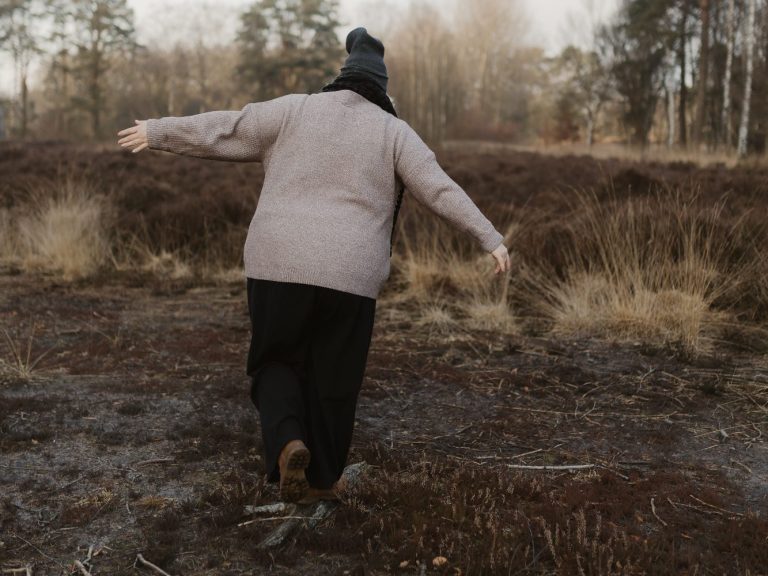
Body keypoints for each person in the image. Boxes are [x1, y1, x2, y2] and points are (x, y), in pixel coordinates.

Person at [117, 27, 511, 505]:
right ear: (381, 90)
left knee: (275, 360)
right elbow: (438, 187)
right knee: (335, 377)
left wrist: (158, 131)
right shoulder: (394, 131)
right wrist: (490, 238)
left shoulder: (294, 110)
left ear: (340, 78)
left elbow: (227, 128)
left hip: (277, 262)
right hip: (351, 274)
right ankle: (322, 481)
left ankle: (288, 442)